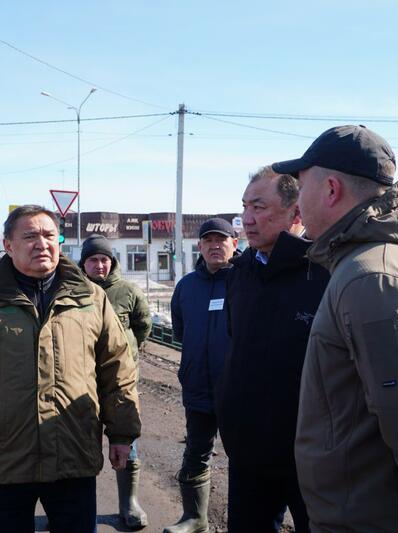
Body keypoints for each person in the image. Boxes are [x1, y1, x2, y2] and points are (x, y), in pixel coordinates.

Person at [273, 125, 398, 531]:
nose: (298, 201)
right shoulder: (373, 264)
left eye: (301, 186)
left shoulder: (373, 278)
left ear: (331, 189)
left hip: (373, 520)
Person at [0, 205, 140, 533]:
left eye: (49, 235)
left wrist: (122, 434)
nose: (42, 244)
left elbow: (117, 370)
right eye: (30, 236)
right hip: (6, 461)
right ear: (8, 245)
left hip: (73, 456)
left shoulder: (89, 298)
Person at [217, 167, 330, 532]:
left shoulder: (325, 274)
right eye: (244, 207)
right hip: (247, 450)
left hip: (310, 455)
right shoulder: (240, 273)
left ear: (296, 213)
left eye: (259, 207)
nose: (247, 219)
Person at [165, 217, 234, 533]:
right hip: (197, 386)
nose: (215, 245)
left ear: (234, 244)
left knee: (245, 459)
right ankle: (194, 517)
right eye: (208, 240)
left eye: (221, 240)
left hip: (237, 389)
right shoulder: (186, 286)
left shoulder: (245, 281)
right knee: (196, 451)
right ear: (200, 246)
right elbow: (180, 331)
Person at [79, 234, 151, 530]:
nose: (99, 265)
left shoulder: (128, 291)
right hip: (82, 383)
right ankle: (79, 509)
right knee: (80, 445)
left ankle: (128, 503)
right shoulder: (73, 290)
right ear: (83, 263)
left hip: (120, 382)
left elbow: (143, 326)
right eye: (93, 260)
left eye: (104, 260)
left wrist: (128, 354)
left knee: (126, 439)